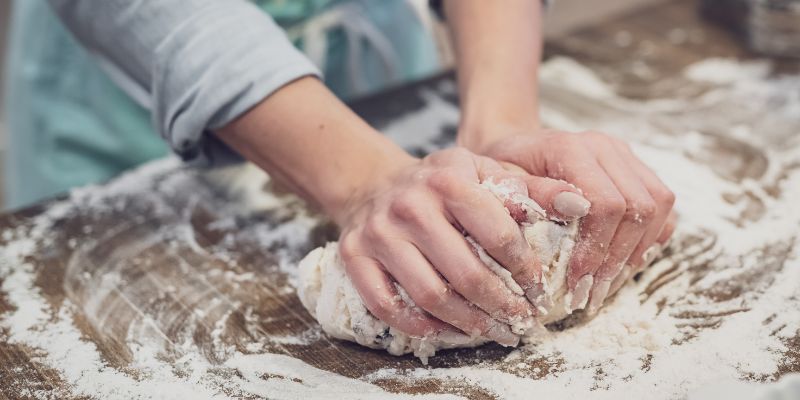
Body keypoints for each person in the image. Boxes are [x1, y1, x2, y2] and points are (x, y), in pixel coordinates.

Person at [4, 0, 675, 343]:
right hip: (137, 85)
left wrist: (500, 125)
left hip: (371, 56)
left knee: (437, 223)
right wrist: (364, 179)